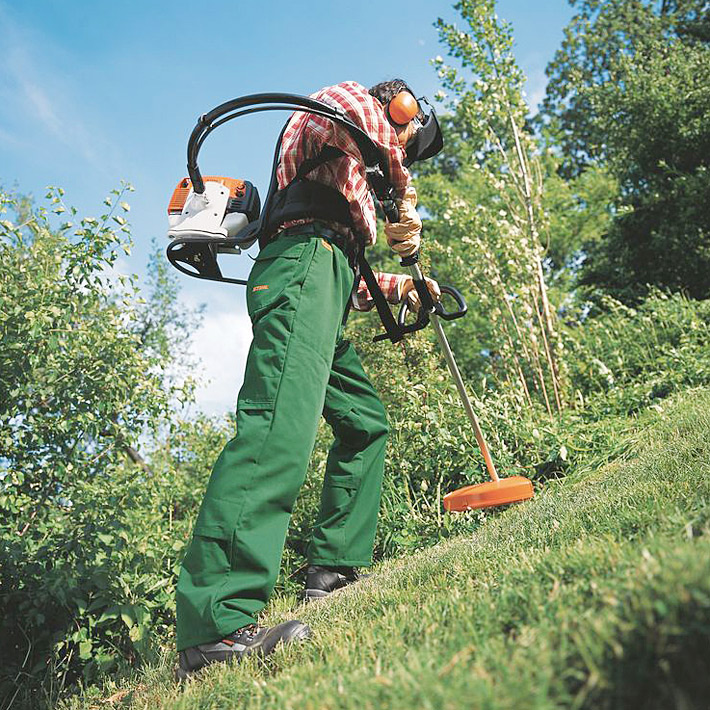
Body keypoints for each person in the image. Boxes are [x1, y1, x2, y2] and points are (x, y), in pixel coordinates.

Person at [175, 79, 441, 680]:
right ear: (402, 113)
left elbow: (352, 273)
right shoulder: (345, 105)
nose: (404, 152)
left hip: (325, 276)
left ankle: (333, 570)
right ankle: (215, 625)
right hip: (301, 270)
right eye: (409, 139)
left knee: (366, 424)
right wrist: (403, 203)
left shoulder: (349, 171)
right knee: (277, 432)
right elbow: (363, 136)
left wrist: (409, 287)